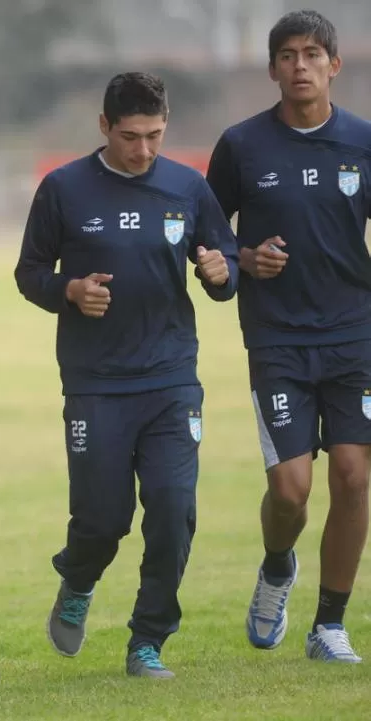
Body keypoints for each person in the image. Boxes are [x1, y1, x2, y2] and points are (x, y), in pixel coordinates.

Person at [15, 72, 239, 678]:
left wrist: (222, 272)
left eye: (156, 136)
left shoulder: (188, 187)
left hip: (170, 377)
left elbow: (225, 263)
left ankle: (148, 641)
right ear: (104, 127)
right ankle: (79, 580)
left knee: (172, 507)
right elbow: (29, 272)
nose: (144, 150)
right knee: (104, 518)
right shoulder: (63, 188)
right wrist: (69, 289)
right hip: (95, 381)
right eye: (132, 137)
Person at [206, 9, 371, 664]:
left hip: (354, 333)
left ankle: (329, 624)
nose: (299, 66)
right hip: (277, 336)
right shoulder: (242, 146)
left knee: (356, 475)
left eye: (311, 54)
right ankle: (278, 564)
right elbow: (207, 234)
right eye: (287, 56)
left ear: (334, 64)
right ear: (272, 69)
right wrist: (244, 258)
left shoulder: (363, 141)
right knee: (291, 489)